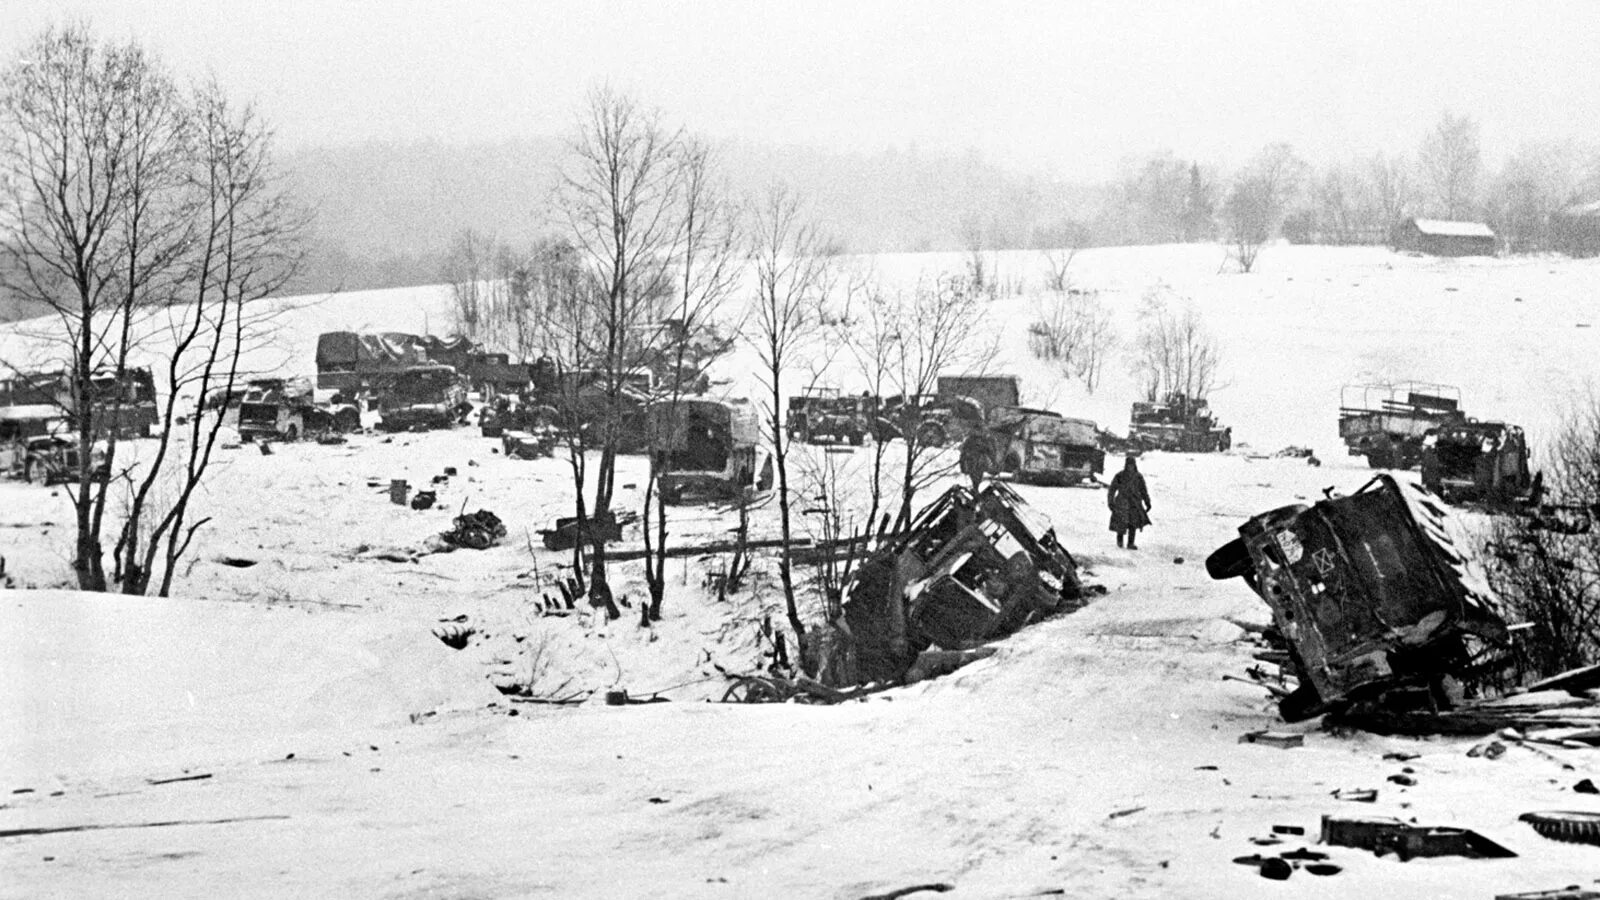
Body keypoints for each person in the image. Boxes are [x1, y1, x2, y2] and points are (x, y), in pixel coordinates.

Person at [1108, 454, 1152, 549]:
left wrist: (1147, 502)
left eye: (1132, 465)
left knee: (1133, 523)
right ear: (1126, 465)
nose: (1130, 467)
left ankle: (1130, 543)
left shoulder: (1138, 477)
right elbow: (1112, 489)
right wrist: (1110, 502)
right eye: (1128, 465)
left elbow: (1143, 490)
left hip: (1134, 502)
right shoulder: (1120, 476)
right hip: (1122, 502)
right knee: (1121, 523)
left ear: (1135, 465)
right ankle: (1120, 542)